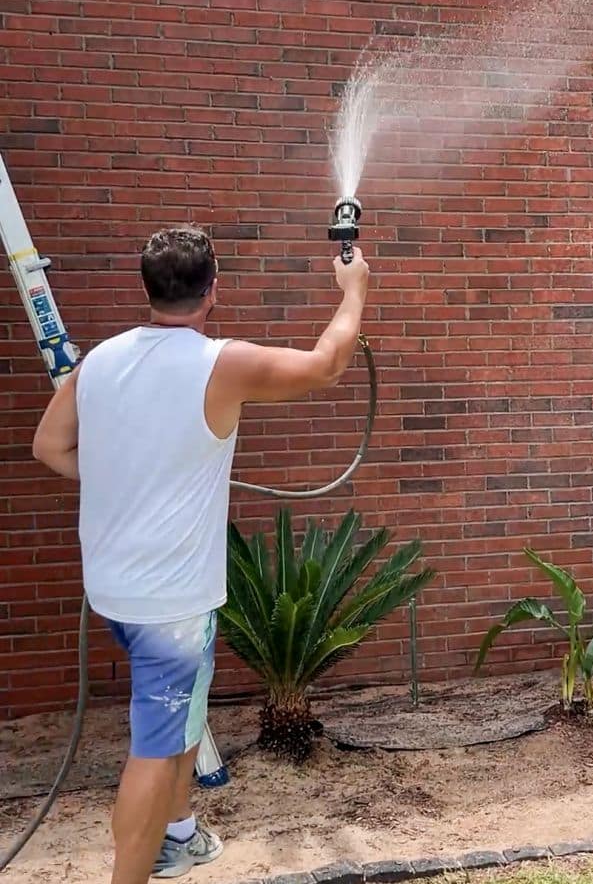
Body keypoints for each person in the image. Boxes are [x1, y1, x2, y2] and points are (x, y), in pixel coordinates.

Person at [32, 226, 370, 883]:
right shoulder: (222, 363)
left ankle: (179, 832)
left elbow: (49, 446)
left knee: (182, 713)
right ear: (214, 290)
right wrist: (354, 289)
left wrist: (124, 474)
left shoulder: (98, 361)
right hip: (169, 606)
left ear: (147, 288)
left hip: (117, 590)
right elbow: (328, 364)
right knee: (153, 751)